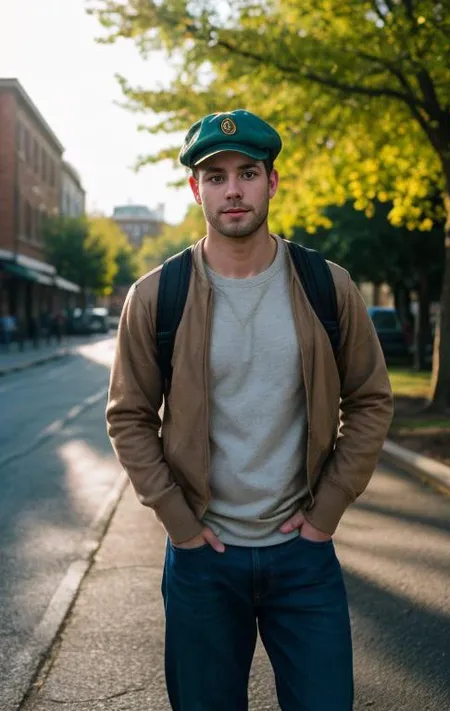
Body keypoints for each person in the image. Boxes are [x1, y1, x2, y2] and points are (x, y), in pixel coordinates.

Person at [106, 109, 394, 711]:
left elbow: (369, 400)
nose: (232, 189)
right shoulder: (158, 294)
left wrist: (326, 515)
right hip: (202, 564)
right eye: (215, 176)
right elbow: (129, 415)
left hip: (304, 557)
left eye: (247, 173)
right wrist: (180, 526)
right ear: (196, 189)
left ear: (272, 182)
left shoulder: (327, 284)